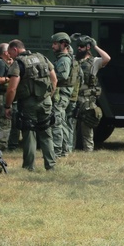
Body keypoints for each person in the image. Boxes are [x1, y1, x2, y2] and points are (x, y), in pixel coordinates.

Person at [4, 39, 58, 171]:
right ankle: (51, 166)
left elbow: (12, 89)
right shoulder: (42, 57)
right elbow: (54, 79)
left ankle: (29, 167)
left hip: (28, 103)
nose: (9, 56)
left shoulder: (19, 63)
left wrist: (7, 106)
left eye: (10, 52)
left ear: (15, 49)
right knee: (46, 132)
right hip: (45, 101)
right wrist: (48, 96)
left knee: (29, 133)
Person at [75, 35, 111, 151]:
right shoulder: (74, 60)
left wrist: (95, 46)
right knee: (70, 126)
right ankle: (68, 150)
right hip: (74, 97)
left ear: (88, 47)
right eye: (78, 46)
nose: (79, 48)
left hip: (87, 100)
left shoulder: (94, 61)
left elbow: (107, 58)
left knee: (87, 126)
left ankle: (88, 150)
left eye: (81, 46)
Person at [50, 32, 74, 160]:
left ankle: (57, 152)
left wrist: (49, 76)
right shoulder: (63, 58)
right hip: (63, 95)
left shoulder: (64, 59)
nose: (52, 46)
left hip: (61, 95)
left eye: (55, 43)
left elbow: (62, 76)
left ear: (63, 44)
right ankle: (64, 150)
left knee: (57, 122)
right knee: (62, 122)